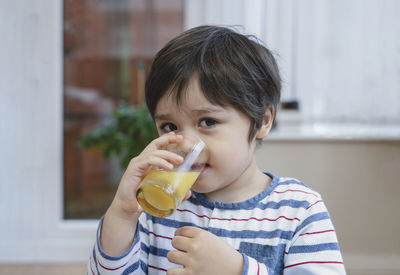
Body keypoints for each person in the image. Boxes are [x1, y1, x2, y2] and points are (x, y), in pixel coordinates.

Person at [87, 25, 346, 275]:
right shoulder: (157, 207)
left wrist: (237, 270)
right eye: (169, 126)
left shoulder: (298, 209)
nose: (186, 143)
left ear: (263, 121)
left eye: (208, 122)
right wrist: (122, 214)